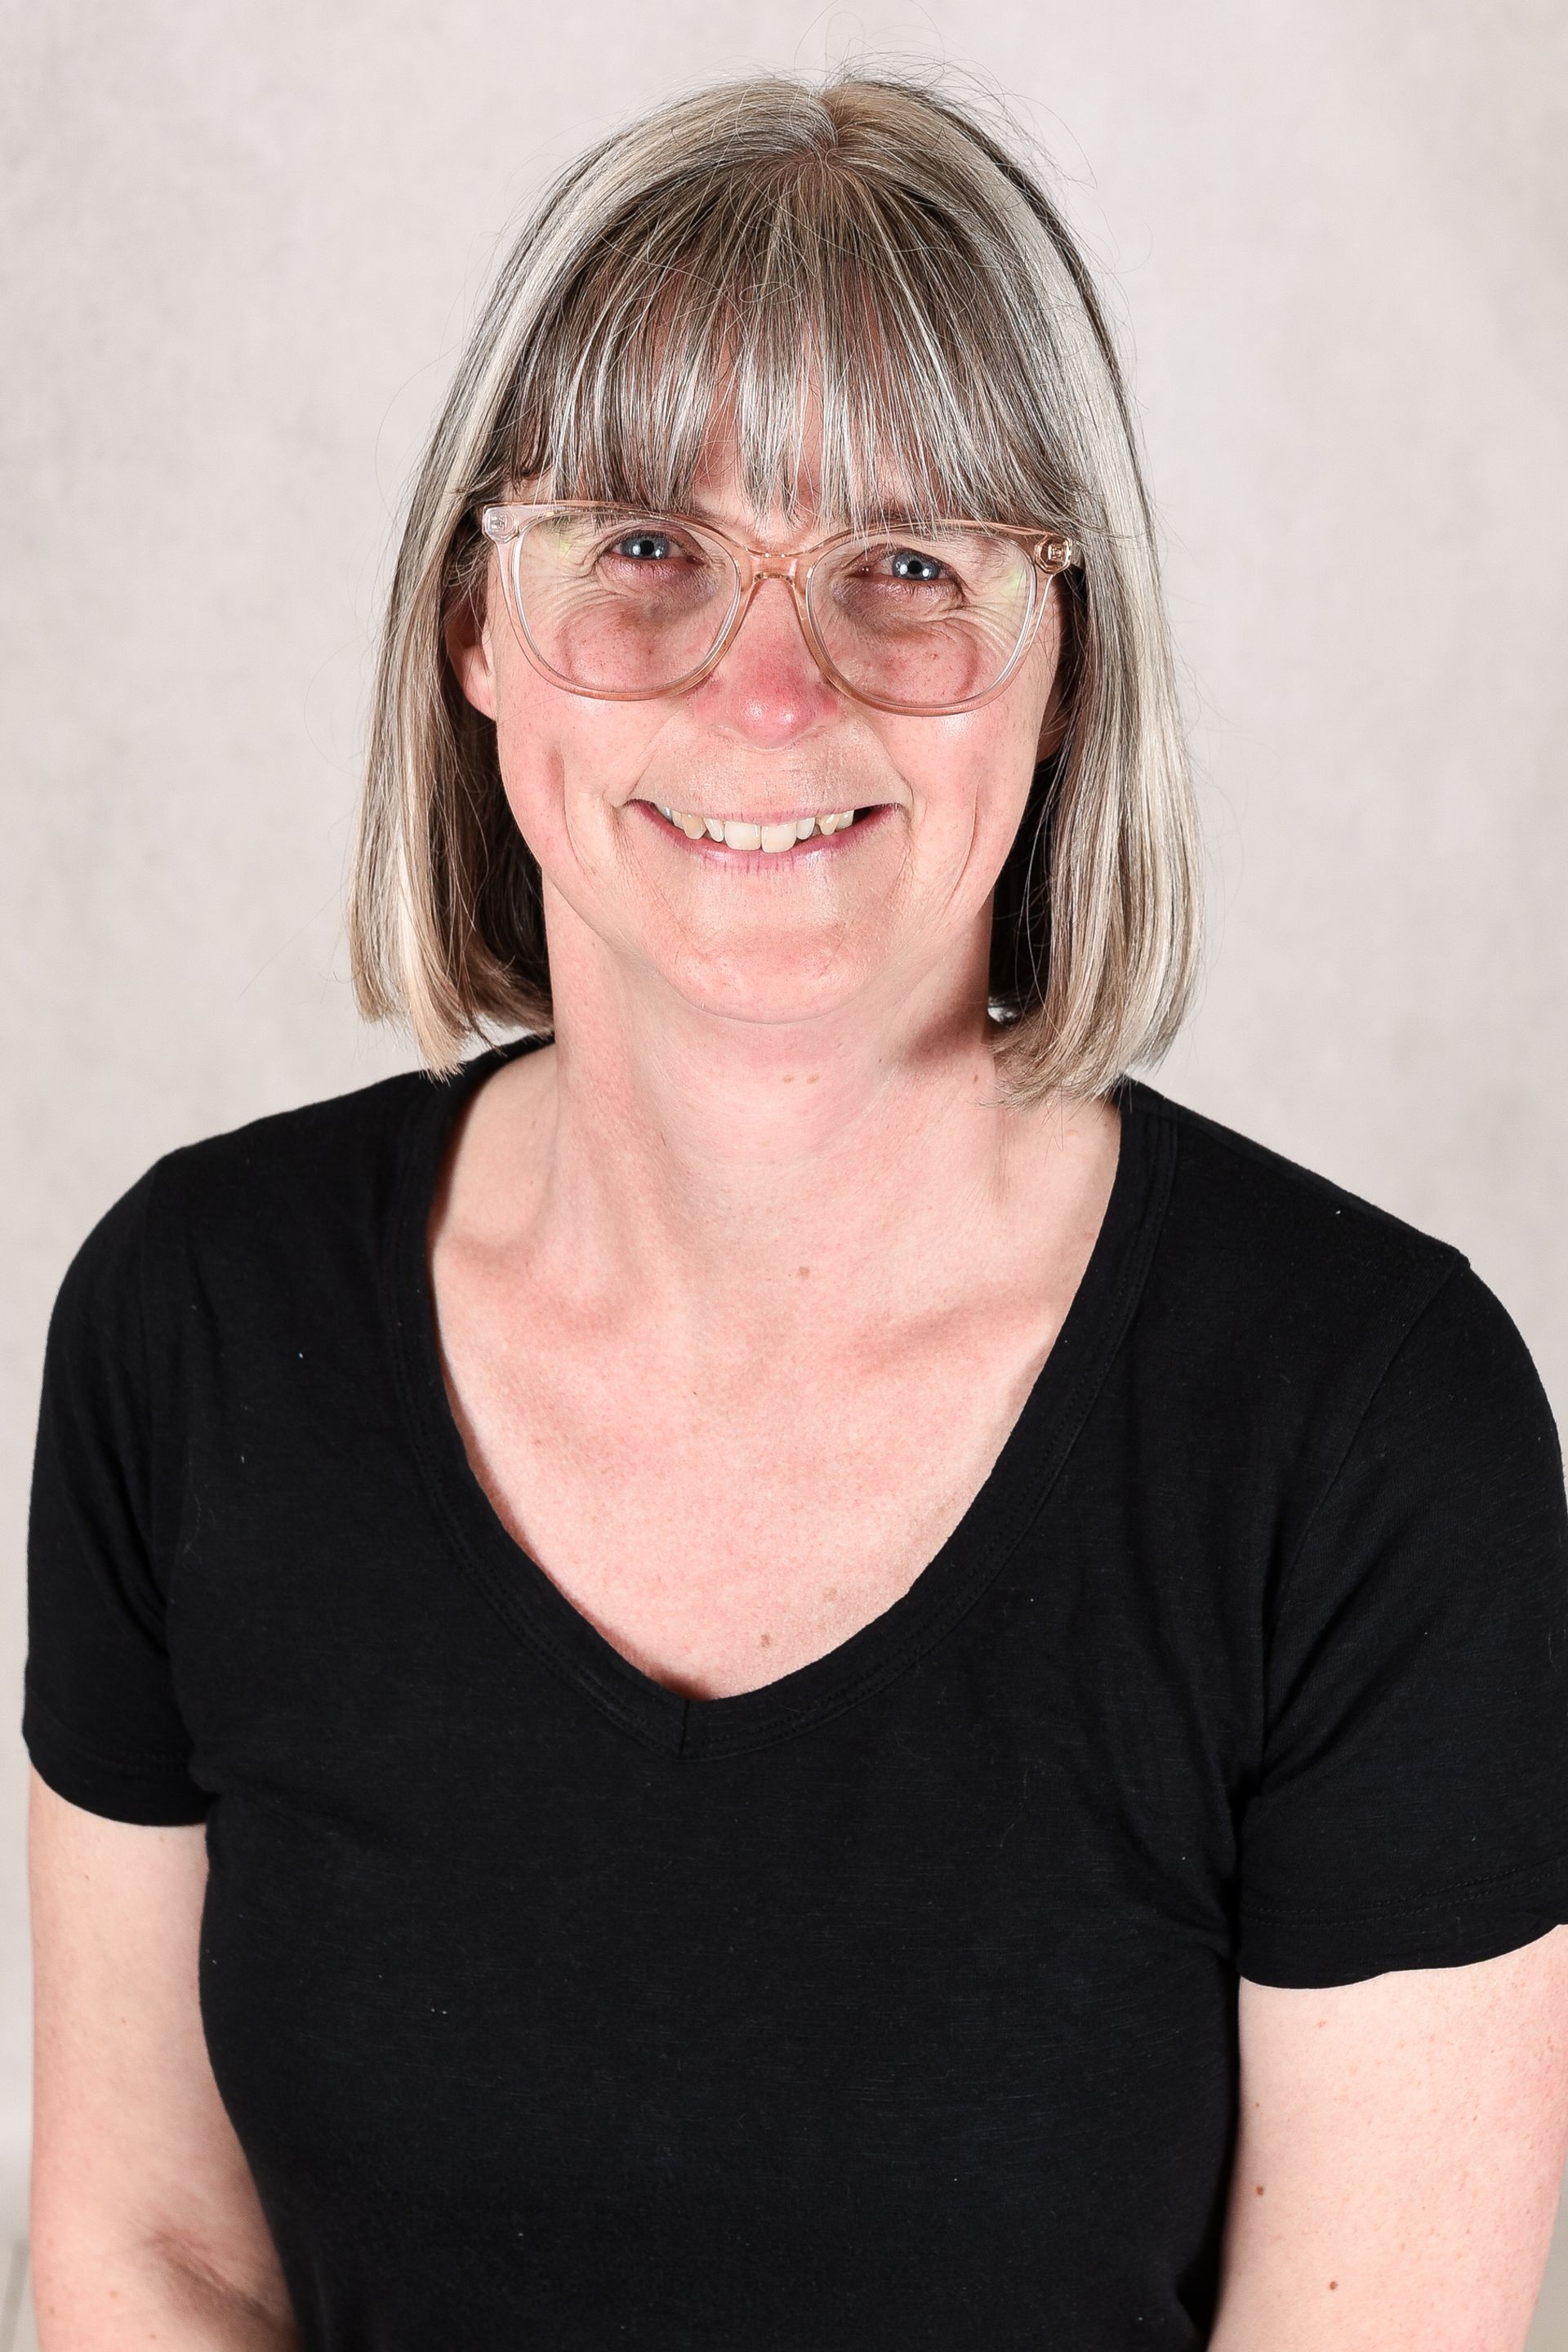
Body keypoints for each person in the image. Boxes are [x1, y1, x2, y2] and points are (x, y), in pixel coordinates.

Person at [23, 67, 1568, 2352]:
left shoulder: (1366, 1434)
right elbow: (146, 2254)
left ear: (1065, 674)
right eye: (644, 547)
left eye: (908, 567)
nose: (769, 691)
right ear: (475, 633)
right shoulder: (193, 1331)